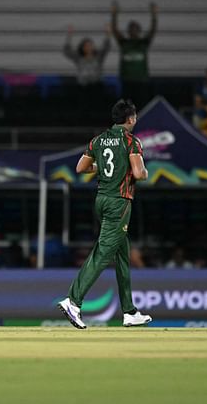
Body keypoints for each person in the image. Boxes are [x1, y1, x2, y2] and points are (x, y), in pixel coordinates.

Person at [58, 99, 153, 329]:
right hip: (119, 202)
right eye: (135, 116)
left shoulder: (98, 140)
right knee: (103, 253)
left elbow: (81, 168)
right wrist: (142, 170)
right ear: (130, 119)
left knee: (122, 254)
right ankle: (74, 301)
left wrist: (101, 166)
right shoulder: (131, 141)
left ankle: (129, 311)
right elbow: (139, 173)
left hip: (101, 199)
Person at [110, 1, 158, 109]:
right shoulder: (124, 42)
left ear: (139, 31)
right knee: (127, 108)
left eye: (136, 28)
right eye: (131, 28)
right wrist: (114, 14)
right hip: (127, 81)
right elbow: (114, 30)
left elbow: (152, 31)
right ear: (128, 31)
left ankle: (142, 125)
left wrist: (154, 16)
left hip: (141, 81)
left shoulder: (143, 43)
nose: (133, 31)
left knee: (142, 107)